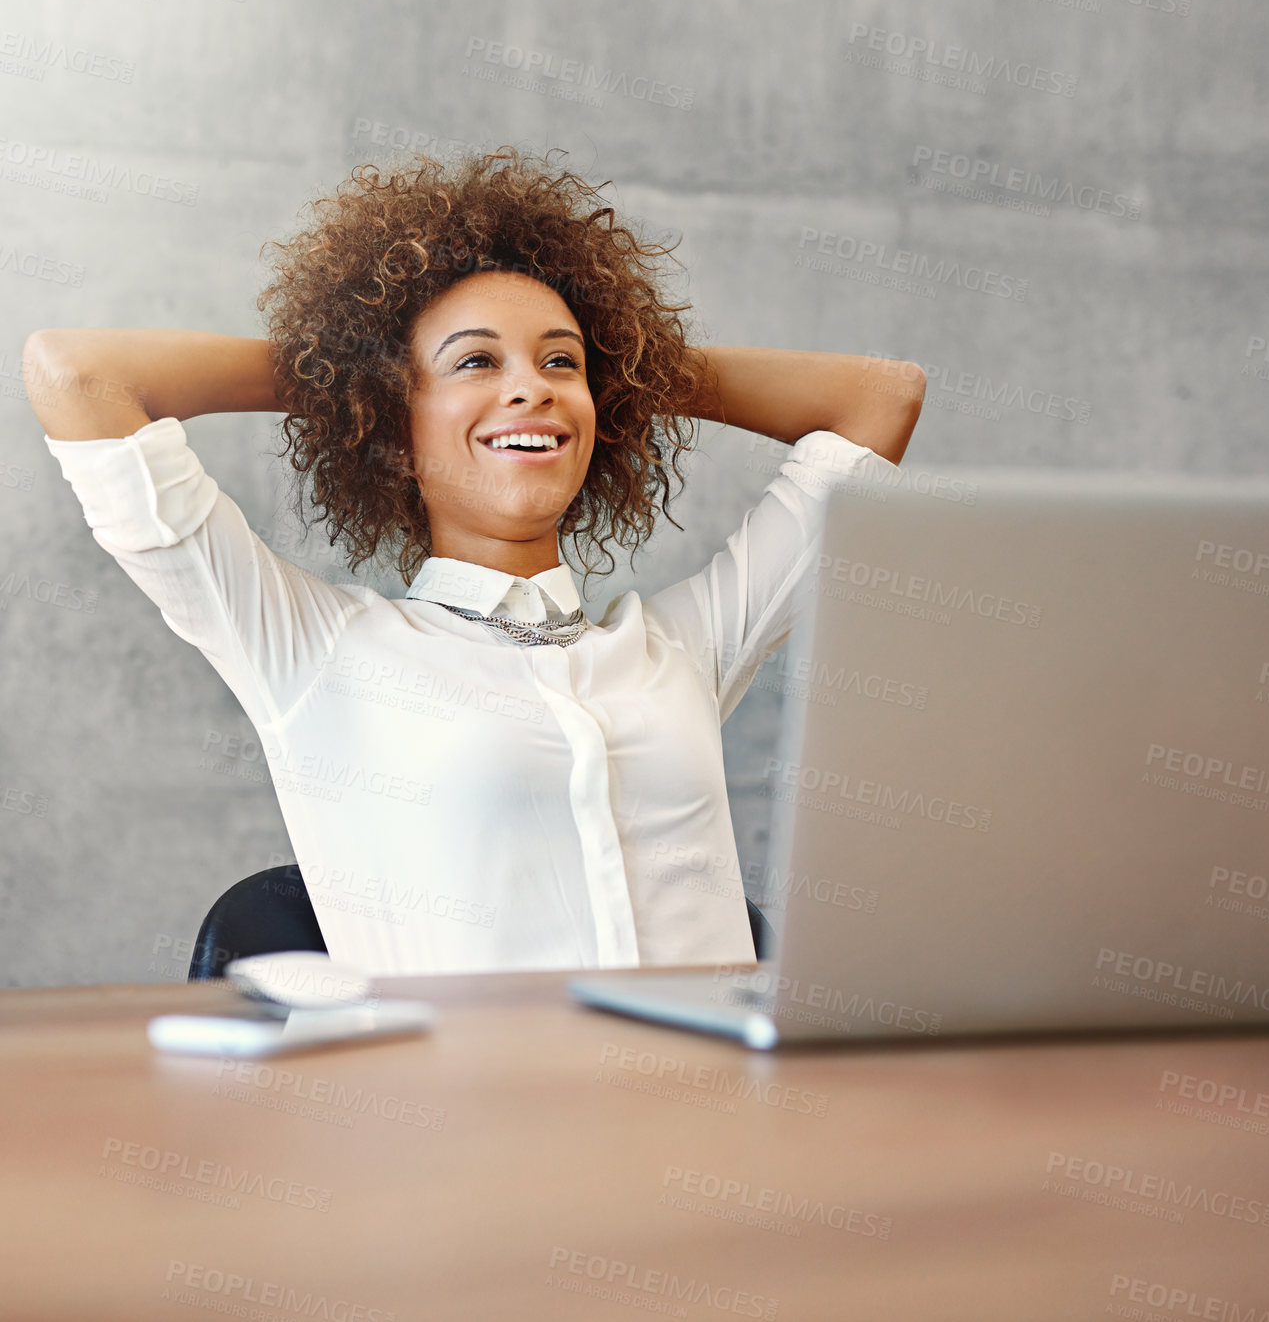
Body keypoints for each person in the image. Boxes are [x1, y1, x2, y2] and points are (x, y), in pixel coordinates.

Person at [24, 147, 926, 977]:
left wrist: (626, 370)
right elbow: (77, 376)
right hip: (471, 1139)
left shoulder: (682, 650)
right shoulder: (315, 652)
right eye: (476, 362)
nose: (528, 386)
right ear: (388, 425)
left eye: (559, 362)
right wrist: (357, 374)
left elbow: (880, 399)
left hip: (723, 1130)